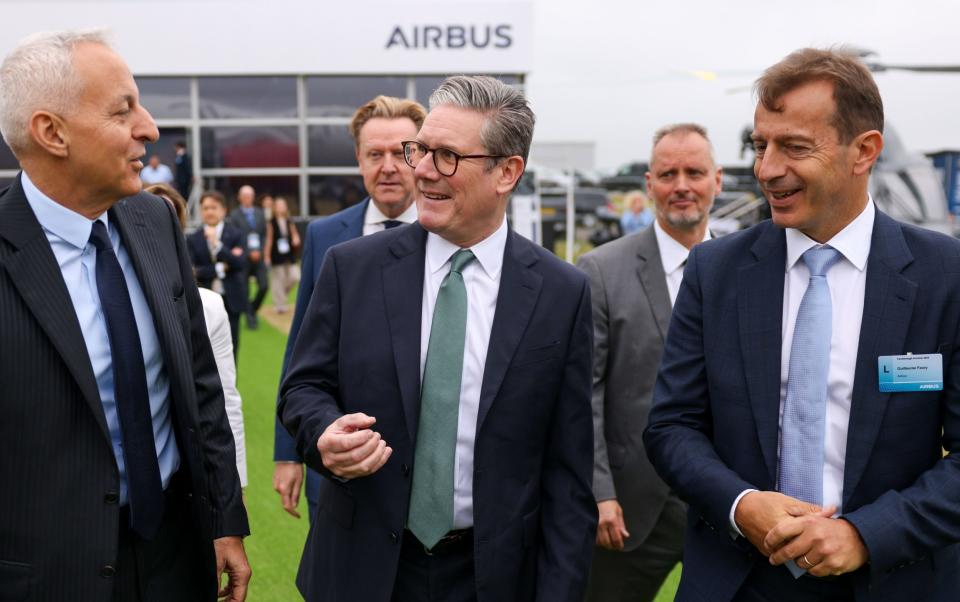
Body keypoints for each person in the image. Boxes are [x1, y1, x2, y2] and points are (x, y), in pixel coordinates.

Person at [643, 47, 960, 601]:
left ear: (865, 151)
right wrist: (743, 506)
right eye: (760, 146)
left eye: (793, 147)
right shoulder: (715, 273)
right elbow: (671, 427)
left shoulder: (943, 276)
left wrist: (865, 534)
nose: (767, 170)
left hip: (890, 578)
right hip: (742, 581)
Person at [279, 75, 597, 602]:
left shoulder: (562, 294)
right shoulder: (352, 268)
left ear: (507, 172)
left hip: (491, 576)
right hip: (362, 567)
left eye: (446, 155)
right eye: (420, 149)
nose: (421, 170)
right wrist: (323, 433)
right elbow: (302, 388)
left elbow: (568, 475)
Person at [0, 30, 249, 601]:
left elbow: (201, 387)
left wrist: (224, 518)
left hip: (174, 557)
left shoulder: (153, 222)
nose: (150, 128)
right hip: (47, 574)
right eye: (123, 110)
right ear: (51, 132)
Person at [578, 123, 720, 601]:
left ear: (717, 180)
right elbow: (585, 393)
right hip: (633, 507)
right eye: (668, 173)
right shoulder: (600, 271)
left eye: (694, 172)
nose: (681, 185)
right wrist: (600, 492)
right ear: (649, 184)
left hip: (729, 501)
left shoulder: (750, 267)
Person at [272, 94, 426, 521]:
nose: (389, 166)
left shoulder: (448, 235)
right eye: (375, 154)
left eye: (402, 152)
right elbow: (300, 354)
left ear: (421, 157)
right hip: (342, 461)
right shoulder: (325, 236)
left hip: (428, 466)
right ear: (359, 159)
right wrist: (289, 452)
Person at [146, 183, 248, 488]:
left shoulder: (208, 306)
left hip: (187, 472)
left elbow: (225, 398)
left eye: (168, 223)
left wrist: (237, 479)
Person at [188, 190, 248, 356]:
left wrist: (217, 245)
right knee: (204, 348)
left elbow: (240, 263)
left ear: (223, 210)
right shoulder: (192, 238)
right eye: (205, 208)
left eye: (213, 207)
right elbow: (192, 271)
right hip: (203, 300)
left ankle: (230, 382)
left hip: (232, 299)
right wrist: (221, 268)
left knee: (231, 347)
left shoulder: (236, 234)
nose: (209, 212)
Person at [229, 184, 268, 329]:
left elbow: (264, 235)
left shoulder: (260, 213)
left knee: (264, 285)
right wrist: (247, 252)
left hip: (259, 255)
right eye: (244, 196)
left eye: (249, 196)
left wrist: (260, 251)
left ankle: (252, 308)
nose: (247, 199)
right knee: (244, 289)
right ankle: (250, 317)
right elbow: (234, 236)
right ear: (240, 198)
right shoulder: (234, 215)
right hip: (243, 258)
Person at [264, 196, 301, 314]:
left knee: (295, 276)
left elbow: (295, 234)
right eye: (278, 205)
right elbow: (269, 240)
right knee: (278, 279)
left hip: (289, 254)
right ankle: (280, 305)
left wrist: (296, 239)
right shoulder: (272, 222)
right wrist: (267, 255)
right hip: (276, 254)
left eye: (283, 205)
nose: (281, 208)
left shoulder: (289, 221)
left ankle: (281, 296)